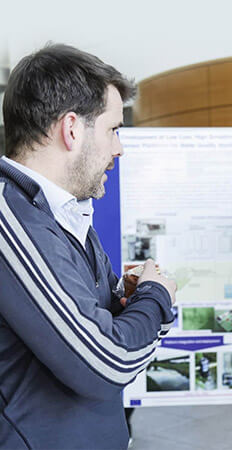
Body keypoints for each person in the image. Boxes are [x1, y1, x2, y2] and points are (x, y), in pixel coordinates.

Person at [0, 44, 176, 450]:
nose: (119, 148)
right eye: (114, 129)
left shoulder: (62, 213)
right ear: (72, 129)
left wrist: (130, 302)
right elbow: (105, 363)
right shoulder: (11, 218)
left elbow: (106, 330)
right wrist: (154, 296)